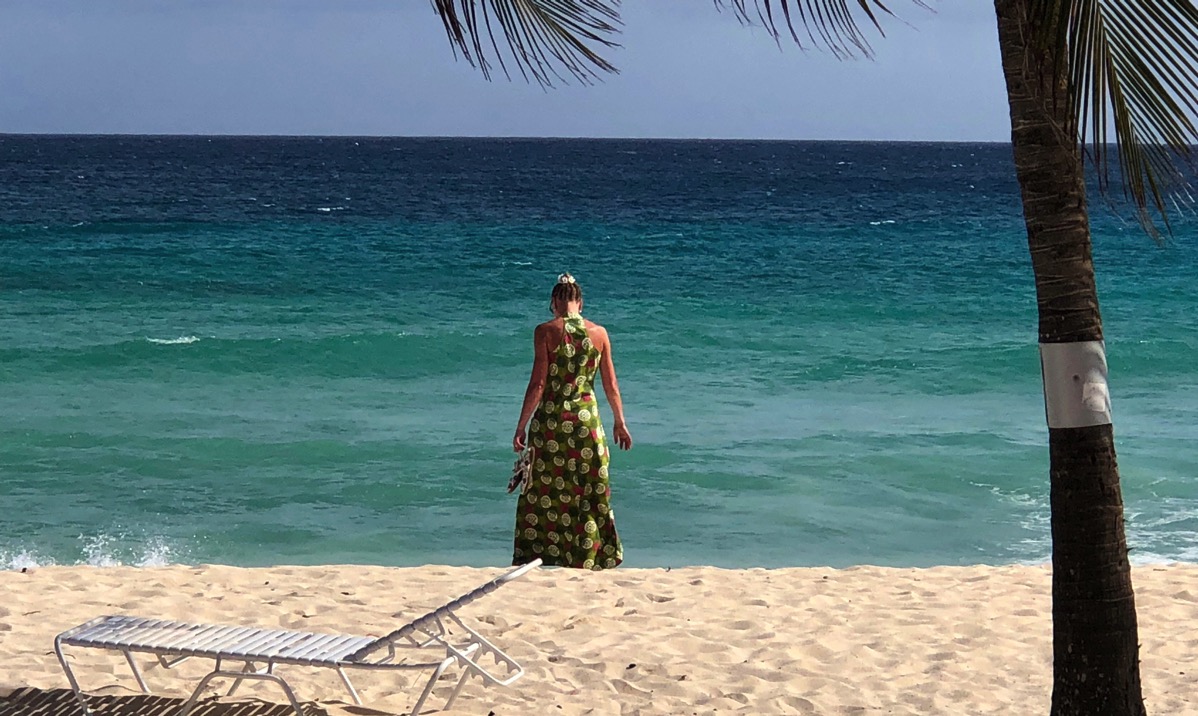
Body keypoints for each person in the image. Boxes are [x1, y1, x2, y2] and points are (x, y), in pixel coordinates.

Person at [511, 272, 632, 569]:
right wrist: (620, 421)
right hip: (586, 422)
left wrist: (521, 425)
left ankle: (543, 555)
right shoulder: (600, 334)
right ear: (581, 302)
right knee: (590, 490)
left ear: (554, 303)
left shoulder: (545, 332)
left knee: (545, 491)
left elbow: (538, 384)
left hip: (552, 423)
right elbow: (611, 385)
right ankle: (590, 557)